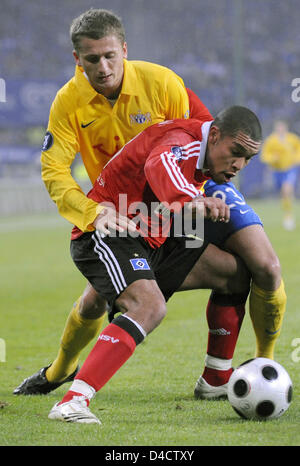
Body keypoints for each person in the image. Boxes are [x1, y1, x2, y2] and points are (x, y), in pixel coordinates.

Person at [14, 9, 286, 400]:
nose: (104, 67)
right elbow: (55, 171)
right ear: (78, 60)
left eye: (111, 56)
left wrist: (200, 194)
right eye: (93, 59)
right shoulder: (68, 103)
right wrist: (92, 212)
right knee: (98, 297)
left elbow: (205, 133)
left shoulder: (161, 83)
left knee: (265, 265)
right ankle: (60, 371)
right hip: (131, 208)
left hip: (199, 189)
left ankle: (262, 367)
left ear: (124, 49)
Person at [47, 104, 263, 424]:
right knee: (149, 307)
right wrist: (193, 200)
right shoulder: (181, 140)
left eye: (248, 158)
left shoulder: (205, 156)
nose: (239, 164)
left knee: (234, 274)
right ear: (214, 135)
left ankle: (216, 378)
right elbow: (160, 163)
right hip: (107, 231)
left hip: (151, 236)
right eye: (236, 151)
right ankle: (71, 402)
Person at [261, 120, 300, 230]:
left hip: (289, 169)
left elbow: (298, 150)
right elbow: (265, 155)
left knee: (286, 189)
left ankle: (288, 216)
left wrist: (296, 159)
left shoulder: (292, 139)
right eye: (278, 128)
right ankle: (287, 207)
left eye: (282, 128)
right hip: (276, 171)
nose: (280, 130)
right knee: (283, 194)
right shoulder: (271, 140)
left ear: (286, 128)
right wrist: (273, 158)